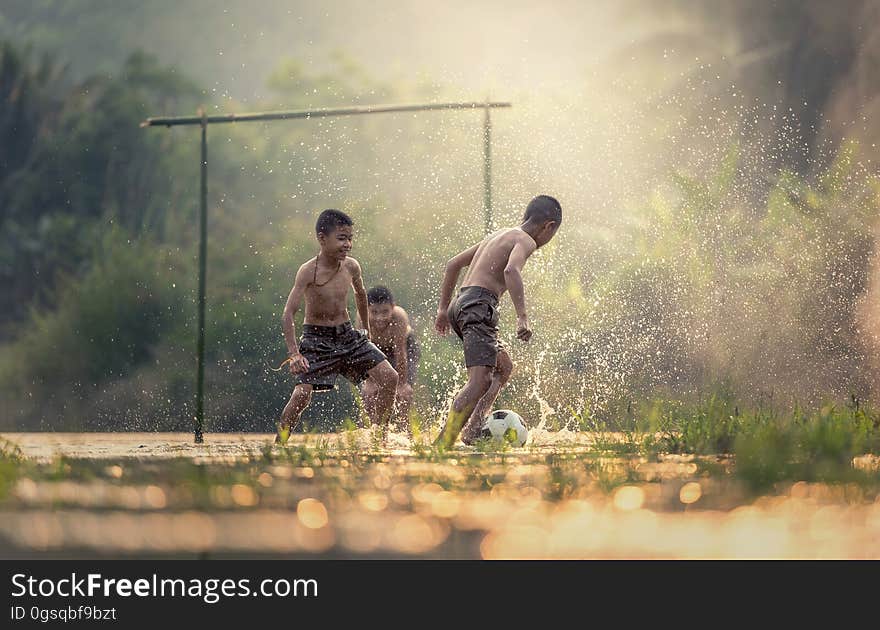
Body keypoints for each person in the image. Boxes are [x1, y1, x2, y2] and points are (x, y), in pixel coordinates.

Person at [433, 195, 562, 448]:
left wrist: (442, 309)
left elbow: (452, 265)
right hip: (480, 305)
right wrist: (522, 317)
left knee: (503, 367)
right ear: (548, 226)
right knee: (479, 381)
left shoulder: (500, 234)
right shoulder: (526, 240)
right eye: (552, 233)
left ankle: (472, 430)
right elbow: (511, 271)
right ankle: (441, 445)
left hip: (461, 303)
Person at [275, 209, 399, 445]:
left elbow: (361, 296)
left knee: (390, 377)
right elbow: (288, 313)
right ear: (322, 238)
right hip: (316, 339)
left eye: (350, 238)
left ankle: (379, 437)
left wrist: (367, 333)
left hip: (348, 335)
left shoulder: (351, 266)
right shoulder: (307, 271)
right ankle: (279, 444)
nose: (348, 244)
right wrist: (294, 354)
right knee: (302, 394)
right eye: (342, 238)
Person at [357, 286, 420, 428]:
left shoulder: (399, 317)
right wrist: (370, 383)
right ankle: (372, 428)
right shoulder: (362, 319)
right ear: (367, 309)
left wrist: (402, 384)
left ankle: (404, 428)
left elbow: (400, 352)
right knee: (369, 393)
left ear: (393, 307)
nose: (380, 318)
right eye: (374, 312)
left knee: (403, 393)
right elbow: (364, 353)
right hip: (374, 349)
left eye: (385, 311)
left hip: (404, 347)